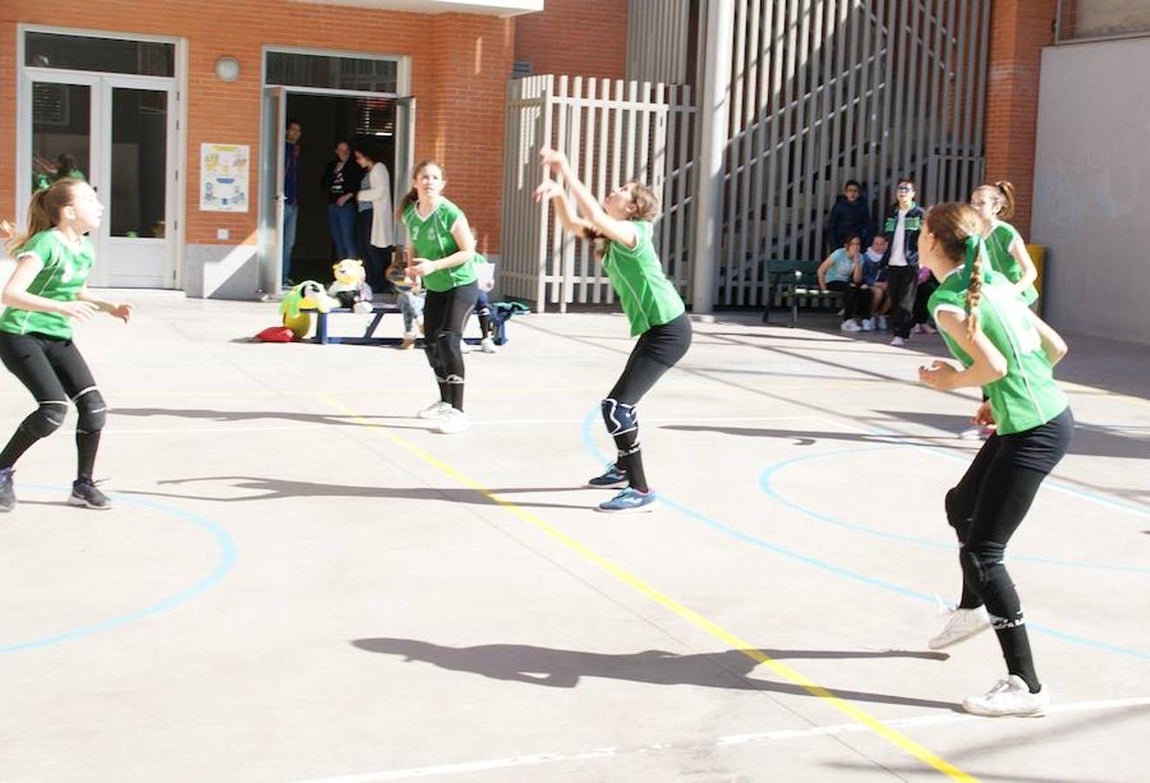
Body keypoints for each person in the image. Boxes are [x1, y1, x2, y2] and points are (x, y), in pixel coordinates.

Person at [916, 201, 1072, 717]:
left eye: (921, 232)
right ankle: (970, 609)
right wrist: (998, 397)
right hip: (1039, 418)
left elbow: (993, 363)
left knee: (986, 552)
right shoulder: (996, 282)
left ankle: (1026, 687)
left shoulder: (947, 301)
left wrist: (949, 381)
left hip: (1034, 430)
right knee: (960, 504)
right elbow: (1054, 348)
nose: (918, 239)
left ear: (935, 243)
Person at [535, 147, 692, 514]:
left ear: (633, 207)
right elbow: (577, 224)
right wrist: (559, 196)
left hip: (670, 330)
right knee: (622, 406)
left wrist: (566, 170)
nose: (615, 190)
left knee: (616, 408)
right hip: (656, 330)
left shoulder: (636, 232)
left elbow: (590, 213)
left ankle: (639, 489)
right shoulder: (611, 237)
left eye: (623, 189)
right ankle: (623, 468)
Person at [0, 178, 133, 512]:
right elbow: (11, 294)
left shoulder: (85, 248)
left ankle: (83, 485)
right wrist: (60, 307)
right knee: (53, 409)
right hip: (20, 334)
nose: (99, 206)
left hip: (57, 337)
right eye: (91, 200)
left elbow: (75, 291)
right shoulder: (47, 243)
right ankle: (2, 470)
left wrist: (109, 307)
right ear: (69, 211)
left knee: (94, 407)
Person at [398, 160, 479, 435]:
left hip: (461, 284)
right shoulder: (410, 214)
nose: (429, 181)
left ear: (442, 183)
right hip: (435, 286)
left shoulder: (449, 213)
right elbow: (413, 245)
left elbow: (468, 251)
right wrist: (414, 272)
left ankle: (459, 412)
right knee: (431, 344)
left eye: (435, 177)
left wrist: (433, 266)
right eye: (424, 176)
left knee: (448, 340)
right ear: (415, 182)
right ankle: (445, 402)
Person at [970, 181, 1039, 307]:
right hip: (995, 300)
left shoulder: (1005, 232)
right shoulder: (974, 233)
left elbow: (1030, 271)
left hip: (1021, 300)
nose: (975, 207)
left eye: (981, 203)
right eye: (973, 203)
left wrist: (1012, 292)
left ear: (996, 208)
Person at [879, 178, 925, 347]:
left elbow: (924, 238)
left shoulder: (919, 213)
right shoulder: (893, 211)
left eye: (906, 189)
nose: (902, 192)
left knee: (906, 301)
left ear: (913, 193)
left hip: (910, 263)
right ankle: (905, 327)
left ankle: (900, 334)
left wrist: (922, 260)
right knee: (895, 299)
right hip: (892, 262)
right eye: (900, 189)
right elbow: (887, 236)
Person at [355, 146, 394, 294]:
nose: (358, 161)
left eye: (359, 157)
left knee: (372, 250)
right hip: (366, 213)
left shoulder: (379, 168)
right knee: (366, 249)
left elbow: (380, 191)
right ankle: (373, 282)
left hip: (372, 214)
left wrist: (359, 195)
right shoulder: (371, 170)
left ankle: (378, 283)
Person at [816, 234, 871, 332]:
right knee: (851, 288)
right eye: (853, 244)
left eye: (858, 244)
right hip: (832, 281)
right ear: (847, 246)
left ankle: (866, 319)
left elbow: (857, 279)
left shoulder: (860, 257)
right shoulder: (838, 254)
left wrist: (857, 263)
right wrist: (823, 288)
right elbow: (821, 270)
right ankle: (847, 321)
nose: (856, 247)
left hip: (847, 282)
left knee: (865, 289)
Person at [321, 141, 361, 261]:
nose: (345, 153)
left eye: (347, 150)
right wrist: (334, 173)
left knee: (348, 239)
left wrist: (347, 197)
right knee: (338, 241)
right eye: (341, 150)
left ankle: (353, 273)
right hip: (333, 206)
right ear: (336, 151)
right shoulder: (331, 166)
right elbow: (323, 185)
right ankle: (342, 273)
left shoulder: (354, 166)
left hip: (347, 207)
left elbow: (358, 187)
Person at [824, 179, 871, 254]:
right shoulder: (838, 207)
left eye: (855, 191)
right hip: (840, 243)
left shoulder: (863, 207)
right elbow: (832, 227)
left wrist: (864, 246)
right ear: (845, 193)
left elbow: (867, 226)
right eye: (850, 191)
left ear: (859, 194)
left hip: (856, 244)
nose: (852, 193)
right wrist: (834, 247)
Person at [282, 120, 302, 288]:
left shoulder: (295, 150)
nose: (296, 133)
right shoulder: (282, 149)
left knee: (289, 243)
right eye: (293, 130)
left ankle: (284, 276)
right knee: (280, 242)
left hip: (293, 202)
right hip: (282, 201)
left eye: (298, 131)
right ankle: (278, 277)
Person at [861, 234, 890, 331]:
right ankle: (871, 315)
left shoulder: (889, 258)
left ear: (886, 245)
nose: (878, 247)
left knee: (894, 292)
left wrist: (887, 283)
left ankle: (881, 314)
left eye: (881, 244)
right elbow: (864, 275)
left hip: (883, 283)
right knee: (878, 292)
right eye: (876, 244)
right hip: (869, 283)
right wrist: (876, 283)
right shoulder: (866, 257)